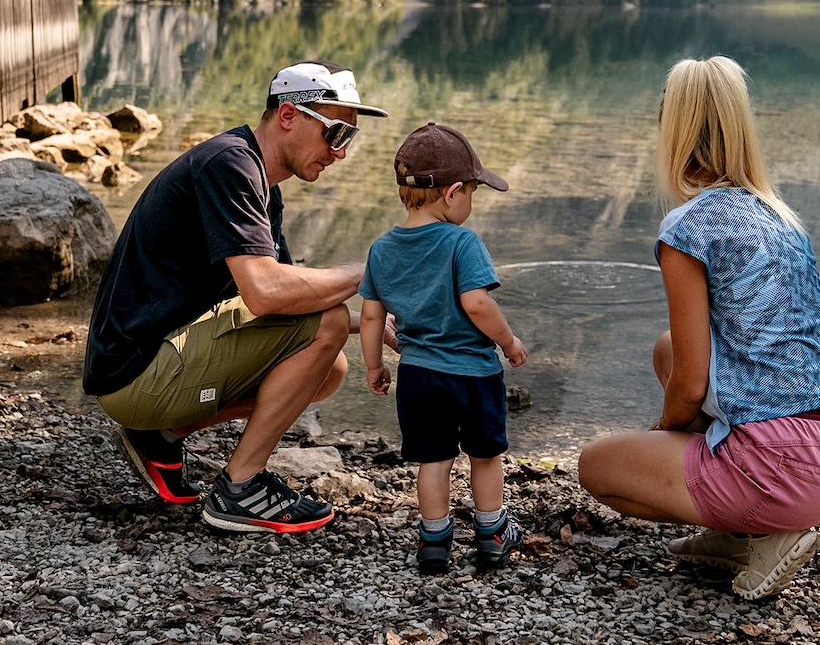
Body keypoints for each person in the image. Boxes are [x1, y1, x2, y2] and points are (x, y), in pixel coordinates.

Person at [576, 55, 820, 600]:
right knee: (667, 348)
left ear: (673, 129)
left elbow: (689, 385)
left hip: (785, 469)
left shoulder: (688, 228)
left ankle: (768, 525)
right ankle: (741, 537)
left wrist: (663, 432)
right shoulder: (778, 214)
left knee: (597, 465)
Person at [83, 61, 386, 535]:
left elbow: (286, 299)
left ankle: (163, 433)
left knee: (329, 368)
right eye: (336, 133)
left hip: (145, 362)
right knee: (324, 327)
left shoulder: (260, 184)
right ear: (289, 115)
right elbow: (266, 293)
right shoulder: (229, 165)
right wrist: (374, 271)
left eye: (348, 138)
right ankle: (240, 488)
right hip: (134, 373)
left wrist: (371, 322)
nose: (340, 153)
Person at [358, 123, 529, 575]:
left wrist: (374, 365)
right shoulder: (462, 243)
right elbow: (476, 302)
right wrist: (508, 342)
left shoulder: (381, 249)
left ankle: (434, 541)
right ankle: (491, 535)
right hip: (472, 373)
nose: (471, 202)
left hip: (416, 375)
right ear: (452, 193)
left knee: (433, 459)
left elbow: (373, 316)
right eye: (473, 192)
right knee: (485, 455)